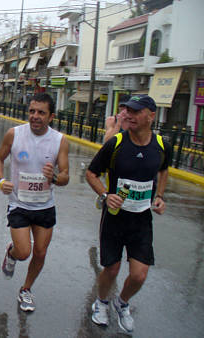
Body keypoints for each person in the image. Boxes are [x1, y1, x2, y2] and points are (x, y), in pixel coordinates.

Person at [85, 95, 171, 333]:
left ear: (151, 116)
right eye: (128, 111)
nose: (129, 115)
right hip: (114, 216)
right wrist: (104, 195)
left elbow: (163, 170)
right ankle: (101, 302)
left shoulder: (162, 145)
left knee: (139, 276)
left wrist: (160, 196)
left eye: (136, 111)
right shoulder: (116, 143)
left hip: (142, 219)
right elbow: (92, 173)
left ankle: (121, 302)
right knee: (111, 268)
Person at [0, 93, 69, 312]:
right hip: (19, 204)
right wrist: (1, 180)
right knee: (24, 251)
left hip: (45, 205)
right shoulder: (14, 134)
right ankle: (12, 252)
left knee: (41, 253)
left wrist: (54, 177)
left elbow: (65, 176)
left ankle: (26, 290)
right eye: (32, 111)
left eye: (41, 113)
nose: (35, 116)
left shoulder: (59, 140)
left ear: (51, 116)